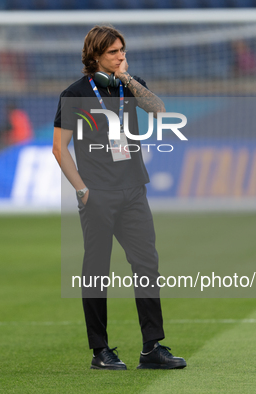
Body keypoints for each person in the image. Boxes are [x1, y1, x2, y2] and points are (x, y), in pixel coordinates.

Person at [53, 25, 186, 371]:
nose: (121, 56)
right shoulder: (75, 94)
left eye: (123, 50)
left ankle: (152, 347)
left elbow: (158, 110)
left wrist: (128, 80)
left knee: (147, 266)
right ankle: (100, 351)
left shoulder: (130, 85)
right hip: (97, 195)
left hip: (133, 191)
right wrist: (82, 190)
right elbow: (59, 148)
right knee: (97, 271)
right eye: (113, 52)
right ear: (95, 56)